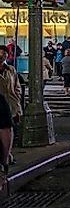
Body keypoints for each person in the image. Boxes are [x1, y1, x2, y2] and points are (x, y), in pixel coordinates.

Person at [0, 46, 21, 177]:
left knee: (9, 131)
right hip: (0, 106)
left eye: (4, 54)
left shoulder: (11, 70)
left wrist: (18, 107)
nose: (1, 56)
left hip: (10, 105)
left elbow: (16, 89)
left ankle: (7, 156)